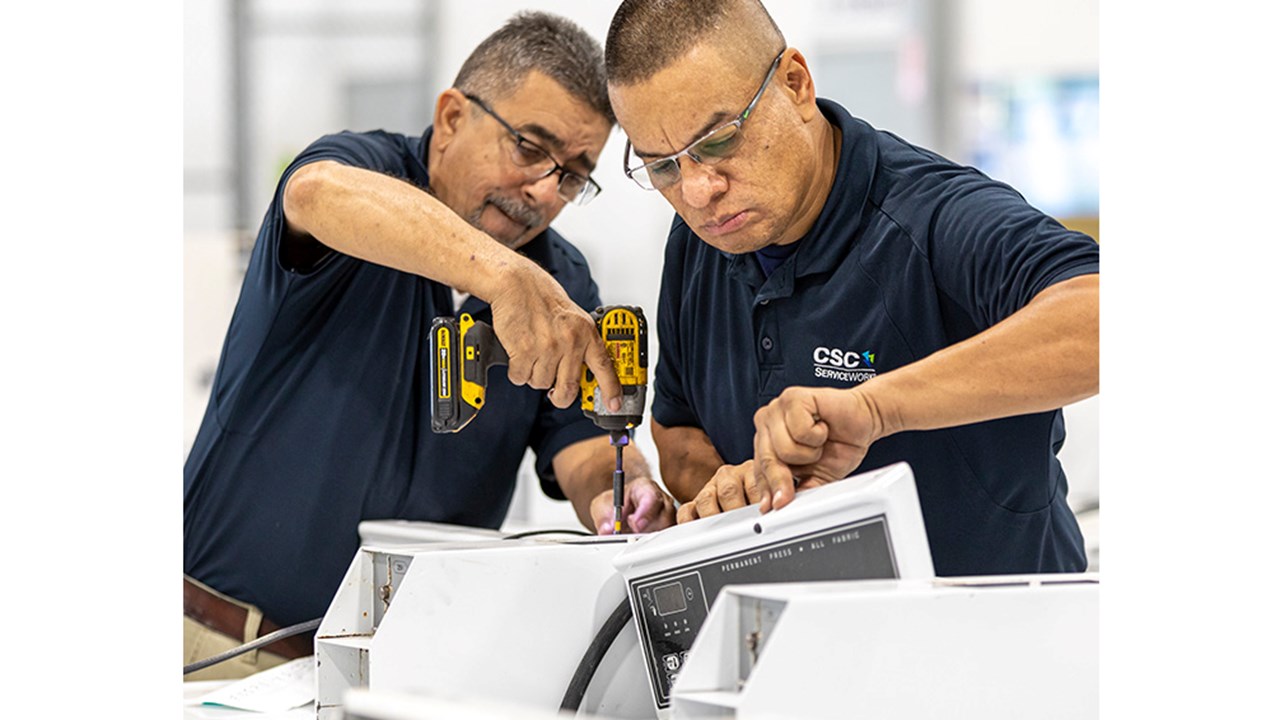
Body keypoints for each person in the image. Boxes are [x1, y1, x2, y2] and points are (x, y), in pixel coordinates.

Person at [184, 11, 675, 680]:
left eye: (571, 175)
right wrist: (501, 275)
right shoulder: (366, 176)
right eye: (530, 147)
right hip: (219, 649)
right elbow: (315, 194)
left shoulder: (563, 283)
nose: (543, 190)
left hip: (405, 668)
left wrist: (621, 493)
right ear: (450, 118)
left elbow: (583, 446)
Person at [604, 0, 1098, 577]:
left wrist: (874, 408)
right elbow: (678, 427)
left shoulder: (931, 218)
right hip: (803, 642)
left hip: (993, 642)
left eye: (718, 141)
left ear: (795, 84)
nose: (697, 191)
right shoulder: (702, 242)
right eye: (662, 166)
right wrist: (731, 487)